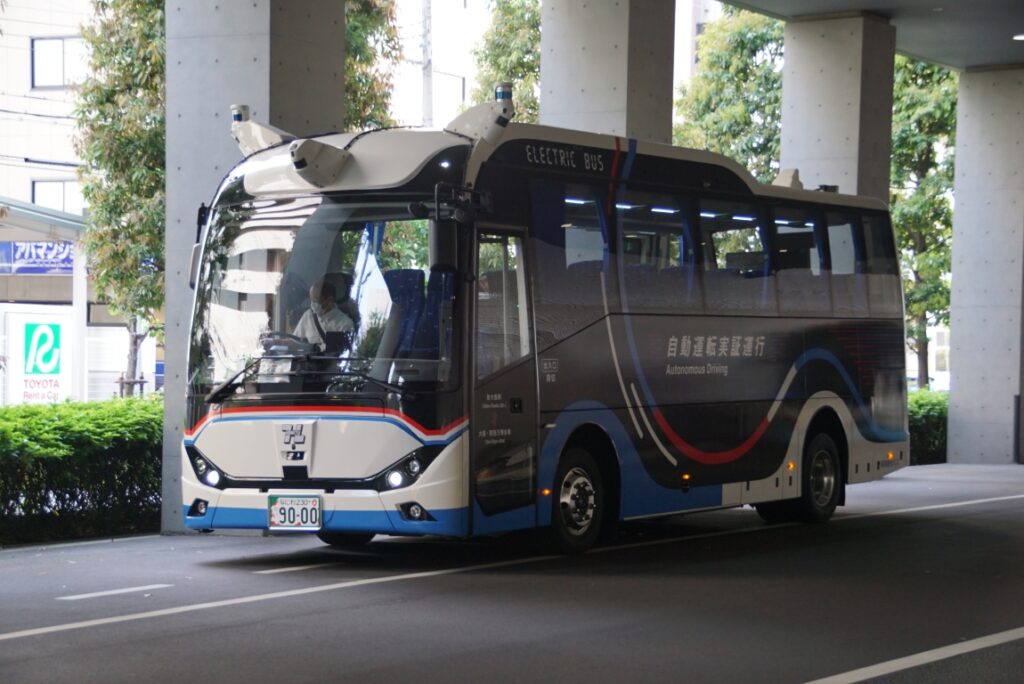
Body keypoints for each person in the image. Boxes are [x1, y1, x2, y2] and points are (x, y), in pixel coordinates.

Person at [293, 278, 354, 350]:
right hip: (306, 361)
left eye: (315, 301)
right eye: (311, 300)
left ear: (329, 301)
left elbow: (341, 353)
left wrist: (310, 348)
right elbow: (295, 341)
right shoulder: (308, 316)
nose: (312, 304)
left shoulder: (345, 325)